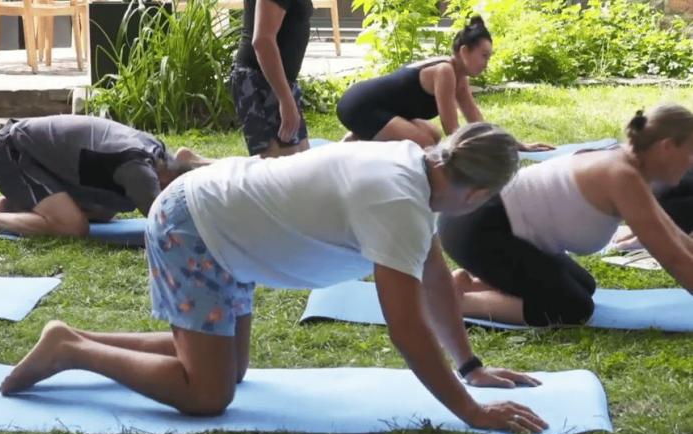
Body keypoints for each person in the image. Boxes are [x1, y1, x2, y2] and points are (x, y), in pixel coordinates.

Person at [0, 123, 548, 434]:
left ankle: (72, 341)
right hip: (195, 227)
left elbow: (433, 278)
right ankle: (73, 350)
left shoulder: (416, 167)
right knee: (208, 394)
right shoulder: (399, 200)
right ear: (478, 193)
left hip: (230, 229)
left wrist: (471, 367)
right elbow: (406, 329)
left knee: (229, 371)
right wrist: (469, 411)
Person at [438, 105, 693, 326]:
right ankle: (455, 303)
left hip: (485, 223)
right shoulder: (621, 176)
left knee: (584, 287)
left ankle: (469, 284)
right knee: (571, 308)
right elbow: (672, 257)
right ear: (667, 147)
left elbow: (674, 237)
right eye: (691, 152)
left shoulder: (628, 167)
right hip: (477, 228)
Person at [336, 16, 551, 151]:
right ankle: (359, 139)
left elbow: (476, 121)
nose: (487, 63)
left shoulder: (460, 77)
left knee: (433, 135)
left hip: (381, 109)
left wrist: (515, 144)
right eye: (484, 55)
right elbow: (453, 129)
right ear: (464, 51)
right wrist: (480, 155)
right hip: (359, 105)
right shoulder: (445, 71)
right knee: (426, 145)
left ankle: (361, 136)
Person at [0, 115, 194, 237]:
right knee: (73, 227)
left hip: (40, 155)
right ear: (167, 180)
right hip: (11, 151)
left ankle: (16, 204)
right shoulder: (138, 170)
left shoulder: (158, 153)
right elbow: (166, 224)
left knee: (105, 210)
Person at [231, 0, 312, 158]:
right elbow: (262, 41)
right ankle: (193, 164)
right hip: (259, 81)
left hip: (278, 80)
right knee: (280, 172)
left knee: (302, 164)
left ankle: (193, 160)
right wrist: (285, 99)